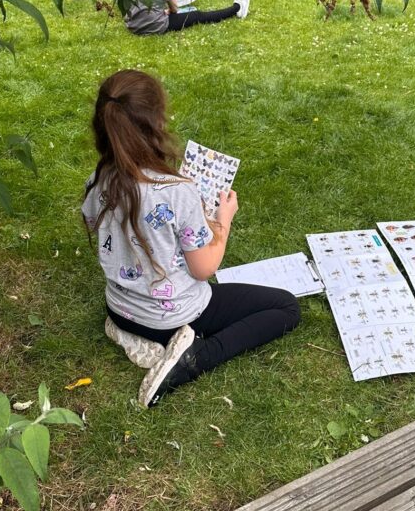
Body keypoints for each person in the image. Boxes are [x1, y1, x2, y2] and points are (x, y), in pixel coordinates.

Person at [81, 70, 300, 407]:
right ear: (156, 122)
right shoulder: (177, 191)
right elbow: (203, 269)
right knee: (286, 307)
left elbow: (105, 223)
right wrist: (222, 221)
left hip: (120, 307)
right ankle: (191, 358)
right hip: (172, 315)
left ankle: (129, 333)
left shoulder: (100, 177)